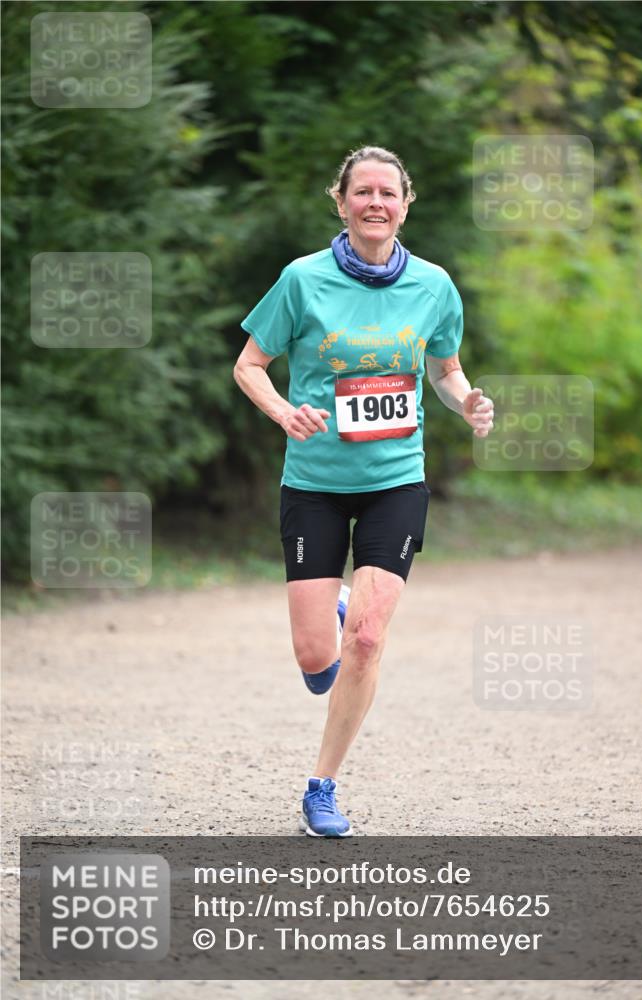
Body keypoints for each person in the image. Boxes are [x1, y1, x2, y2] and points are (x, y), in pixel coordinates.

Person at [233, 145, 493, 837]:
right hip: (313, 483)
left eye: (387, 192)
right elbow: (250, 365)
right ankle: (336, 616)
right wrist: (283, 411)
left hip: (394, 482)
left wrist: (466, 402)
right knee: (316, 656)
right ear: (340, 201)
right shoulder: (301, 280)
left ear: (406, 204)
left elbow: (444, 372)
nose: (375, 203)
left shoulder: (434, 286)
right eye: (362, 192)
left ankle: (321, 786)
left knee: (368, 641)